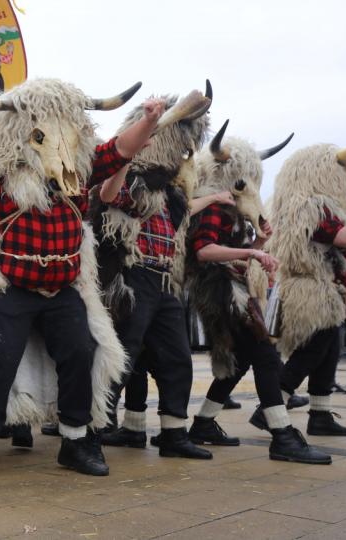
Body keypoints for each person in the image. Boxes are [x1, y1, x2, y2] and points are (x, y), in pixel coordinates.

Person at [0, 68, 153, 481]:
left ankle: (76, 441)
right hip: (10, 287)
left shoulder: (79, 173)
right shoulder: (1, 173)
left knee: (81, 353)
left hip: (63, 288)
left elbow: (119, 152)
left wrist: (147, 118)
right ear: (23, 134)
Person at [184, 122, 330, 464]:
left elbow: (232, 248)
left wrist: (260, 242)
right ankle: (282, 435)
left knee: (242, 360)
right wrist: (252, 253)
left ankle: (203, 422)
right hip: (218, 289)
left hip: (231, 287)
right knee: (264, 355)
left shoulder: (231, 211)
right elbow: (205, 251)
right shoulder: (214, 208)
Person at [95, 84, 214, 460]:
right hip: (133, 277)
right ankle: (94, 425)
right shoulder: (132, 182)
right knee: (123, 355)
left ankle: (174, 433)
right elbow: (108, 198)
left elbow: (187, 210)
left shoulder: (174, 194)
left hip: (164, 280)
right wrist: (128, 158)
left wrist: (220, 198)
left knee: (177, 356)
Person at [262, 111, 346, 439]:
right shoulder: (310, 206)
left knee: (328, 352)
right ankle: (273, 404)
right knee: (314, 350)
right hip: (311, 290)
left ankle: (320, 414)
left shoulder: (308, 204)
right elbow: (342, 237)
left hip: (325, 289)